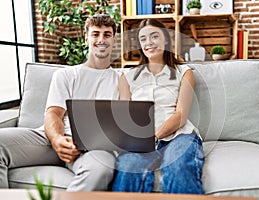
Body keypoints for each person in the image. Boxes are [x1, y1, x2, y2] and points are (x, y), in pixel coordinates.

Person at [0, 14, 119, 191]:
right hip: (49, 140)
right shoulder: (66, 74)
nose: (101, 39)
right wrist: (57, 139)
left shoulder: (123, 80)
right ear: (86, 38)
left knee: (101, 167)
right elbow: (54, 113)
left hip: (92, 147)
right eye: (95, 34)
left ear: (114, 39)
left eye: (107, 34)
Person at [112, 19, 204, 194]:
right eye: (144, 39)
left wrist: (154, 136)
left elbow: (181, 115)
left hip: (180, 136)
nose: (149, 43)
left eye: (154, 36)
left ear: (166, 40)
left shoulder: (184, 72)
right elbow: (125, 116)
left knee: (179, 167)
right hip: (141, 142)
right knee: (127, 166)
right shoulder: (127, 76)